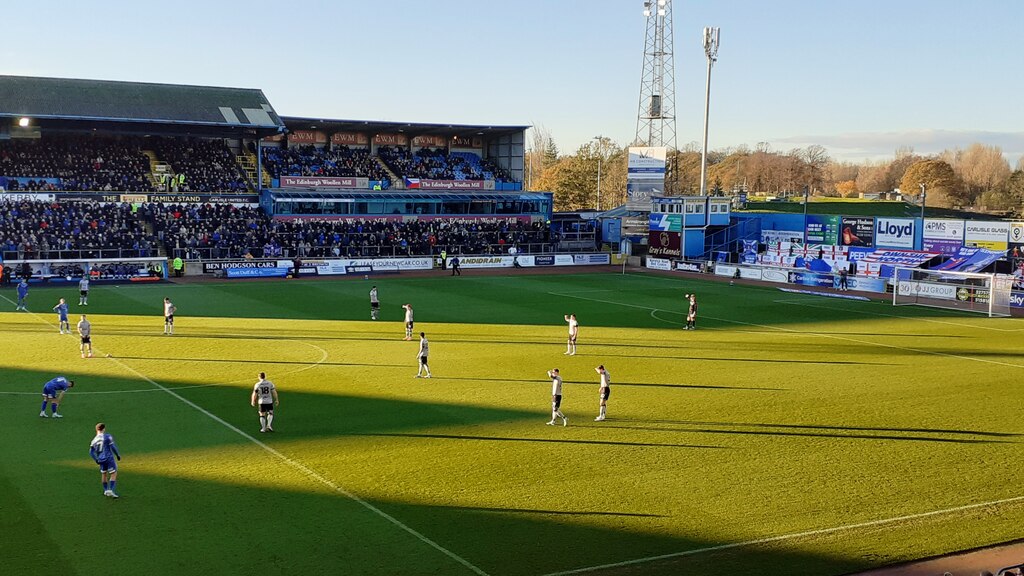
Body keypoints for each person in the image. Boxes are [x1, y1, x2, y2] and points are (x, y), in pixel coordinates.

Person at [89, 422, 121, 498]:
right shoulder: (107, 436)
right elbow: (112, 447)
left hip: (101, 459)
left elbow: (91, 452)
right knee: (113, 473)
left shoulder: (94, 440)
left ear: (96, 430)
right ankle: (112, 491)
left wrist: (96, 459)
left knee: (104, 474)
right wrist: (117, 455)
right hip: (109, 458)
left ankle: (106, 490)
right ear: (104, 429)